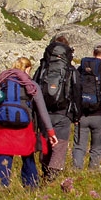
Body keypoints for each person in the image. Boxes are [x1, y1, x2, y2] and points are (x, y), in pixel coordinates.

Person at [0, 56, 58, 188]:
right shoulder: (31, 85)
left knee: (3, 159)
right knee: (28, 158)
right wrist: (51, 132)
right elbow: (42, 110)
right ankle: (31, 188)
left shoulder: (2, 82)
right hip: (25, 129)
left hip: (3, 128)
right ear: (27, 69)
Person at [34, 34, 81, 181]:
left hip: (44, 113)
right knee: (59, 145)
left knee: (46, 141)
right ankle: (52, 176)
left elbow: (34, 88)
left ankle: (44, 170)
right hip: (63, 113)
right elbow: (77, 92)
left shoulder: (42, 68)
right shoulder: (70, 70)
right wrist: (76, 116)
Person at [72, 44, 101, 170]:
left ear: (94, 53)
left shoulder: (80, 70)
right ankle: (93, 173)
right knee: (96, 148)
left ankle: (76, 173)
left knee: (79, 146)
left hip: (81, 115)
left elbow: (73, 92)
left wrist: (75, 112)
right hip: (100, 115)